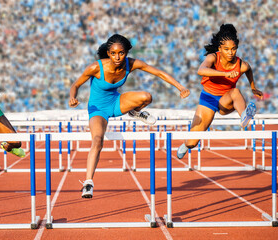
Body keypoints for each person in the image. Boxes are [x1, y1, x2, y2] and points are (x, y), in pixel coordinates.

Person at [69, 34, 190, 198]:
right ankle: (88, 182)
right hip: (98, 109)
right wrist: (72, 97)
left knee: (146, 97)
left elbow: (158, 73)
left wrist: (180, 87)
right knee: (98, 140)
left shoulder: (131, 64)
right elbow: (76, 84)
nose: (117, 57)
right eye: (113, 53)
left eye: (121, 53)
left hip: (116, 102)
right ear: (108, 52)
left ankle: (134, 112)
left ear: (126, 52)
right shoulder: (96, 68)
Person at [177, 24, 263, 159]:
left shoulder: (241, 65)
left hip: (226, 100)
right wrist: (224, 74)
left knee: (235, 92)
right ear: (220, 49)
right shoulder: (213, 58)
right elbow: (201, 70)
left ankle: (244, 117)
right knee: (192, 142)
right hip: (208, 99)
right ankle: (186, 144)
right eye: (227, 49)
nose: (230, 52)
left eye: (233, 49)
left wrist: (253, 87)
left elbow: (249, 70)